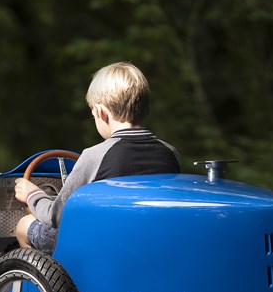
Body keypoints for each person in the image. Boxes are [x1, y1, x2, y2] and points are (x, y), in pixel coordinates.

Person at [14, 62, 181, 254]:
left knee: (24, 225)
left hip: (102, 245)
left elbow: (57, 216)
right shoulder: (170, 153)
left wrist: (32, 195)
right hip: (152, 241)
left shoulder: (94, 156)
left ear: (102, 113)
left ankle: (57, 283)